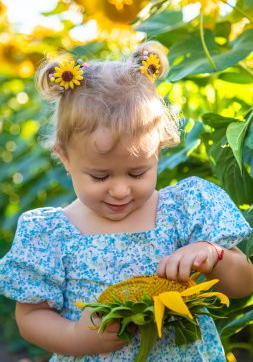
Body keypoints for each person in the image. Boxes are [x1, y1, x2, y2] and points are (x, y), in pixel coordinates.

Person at [0, 41, 253, 362]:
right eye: (100, 177)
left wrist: (214, 255)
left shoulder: (186, 208)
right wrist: (76, 337)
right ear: (64, 157)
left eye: (137, 173)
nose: (120, 190)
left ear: (159, 149)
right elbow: (31, 317)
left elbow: (244, 285)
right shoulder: (50, 232)